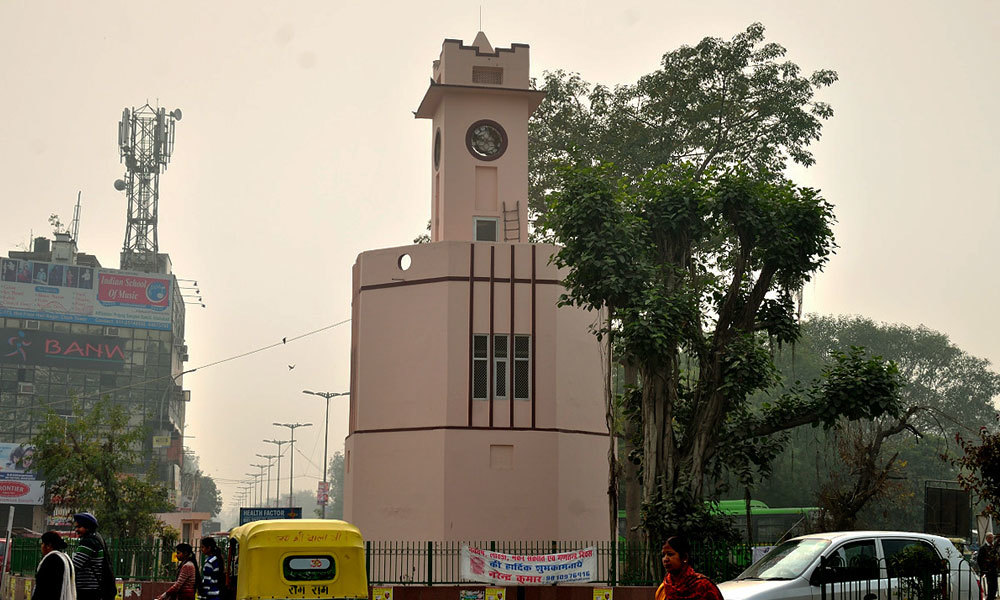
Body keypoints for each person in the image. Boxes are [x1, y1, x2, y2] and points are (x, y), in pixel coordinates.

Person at [655, 535, 723, 600]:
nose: (665, 559)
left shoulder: (703, 586)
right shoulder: (664, 588)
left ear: (684, 557)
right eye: (663, 555)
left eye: (670, 554)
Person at [71, 513, 112, 600]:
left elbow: (74, 567)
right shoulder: (97, 538)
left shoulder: (88, 543)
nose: (76, 530)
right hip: (94, 590)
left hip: (86, 591)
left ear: (88, 527)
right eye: (76, 527)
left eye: (79, 527)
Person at [33, 531, 76, 600]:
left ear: (48, 546)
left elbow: (42, 587)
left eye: (42, 543)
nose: (41, 546)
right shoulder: (65, 559)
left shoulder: (51, 560)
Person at [981, 533, 998, 600]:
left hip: (994, 569)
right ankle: (990, 598)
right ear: (987, 538)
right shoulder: (983, 548)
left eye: (992, 537)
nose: (992, 539)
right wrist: (984, 568)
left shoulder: (993, 547)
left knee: (995, 585)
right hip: (988, 570)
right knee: (990, 585)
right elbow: (980, 559)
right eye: (990, 537)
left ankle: (992, 597)